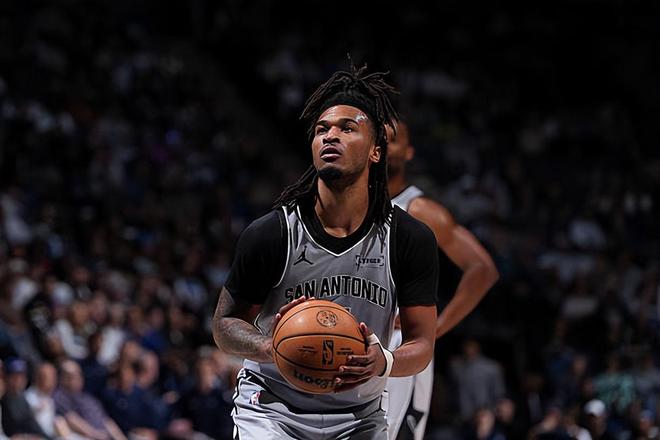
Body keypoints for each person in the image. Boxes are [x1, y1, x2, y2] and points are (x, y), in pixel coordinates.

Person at [213, 63, 439, 439]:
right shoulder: (273, 233)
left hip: (360, 415)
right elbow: (224, 325)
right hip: (271, 410)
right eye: (322, 129)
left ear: (376, 151)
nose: (330, 136)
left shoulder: (408, 238)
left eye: (347, 128)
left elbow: (422, 345)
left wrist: (383, 361)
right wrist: (270, 346)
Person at [384, 120, 499, 439]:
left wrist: (436, 328)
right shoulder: (352, 207)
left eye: (394, 140)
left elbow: (482, 269)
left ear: (409, 152)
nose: (385, 145)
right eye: (379, 139)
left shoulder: (420, 209)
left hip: (401, 343)